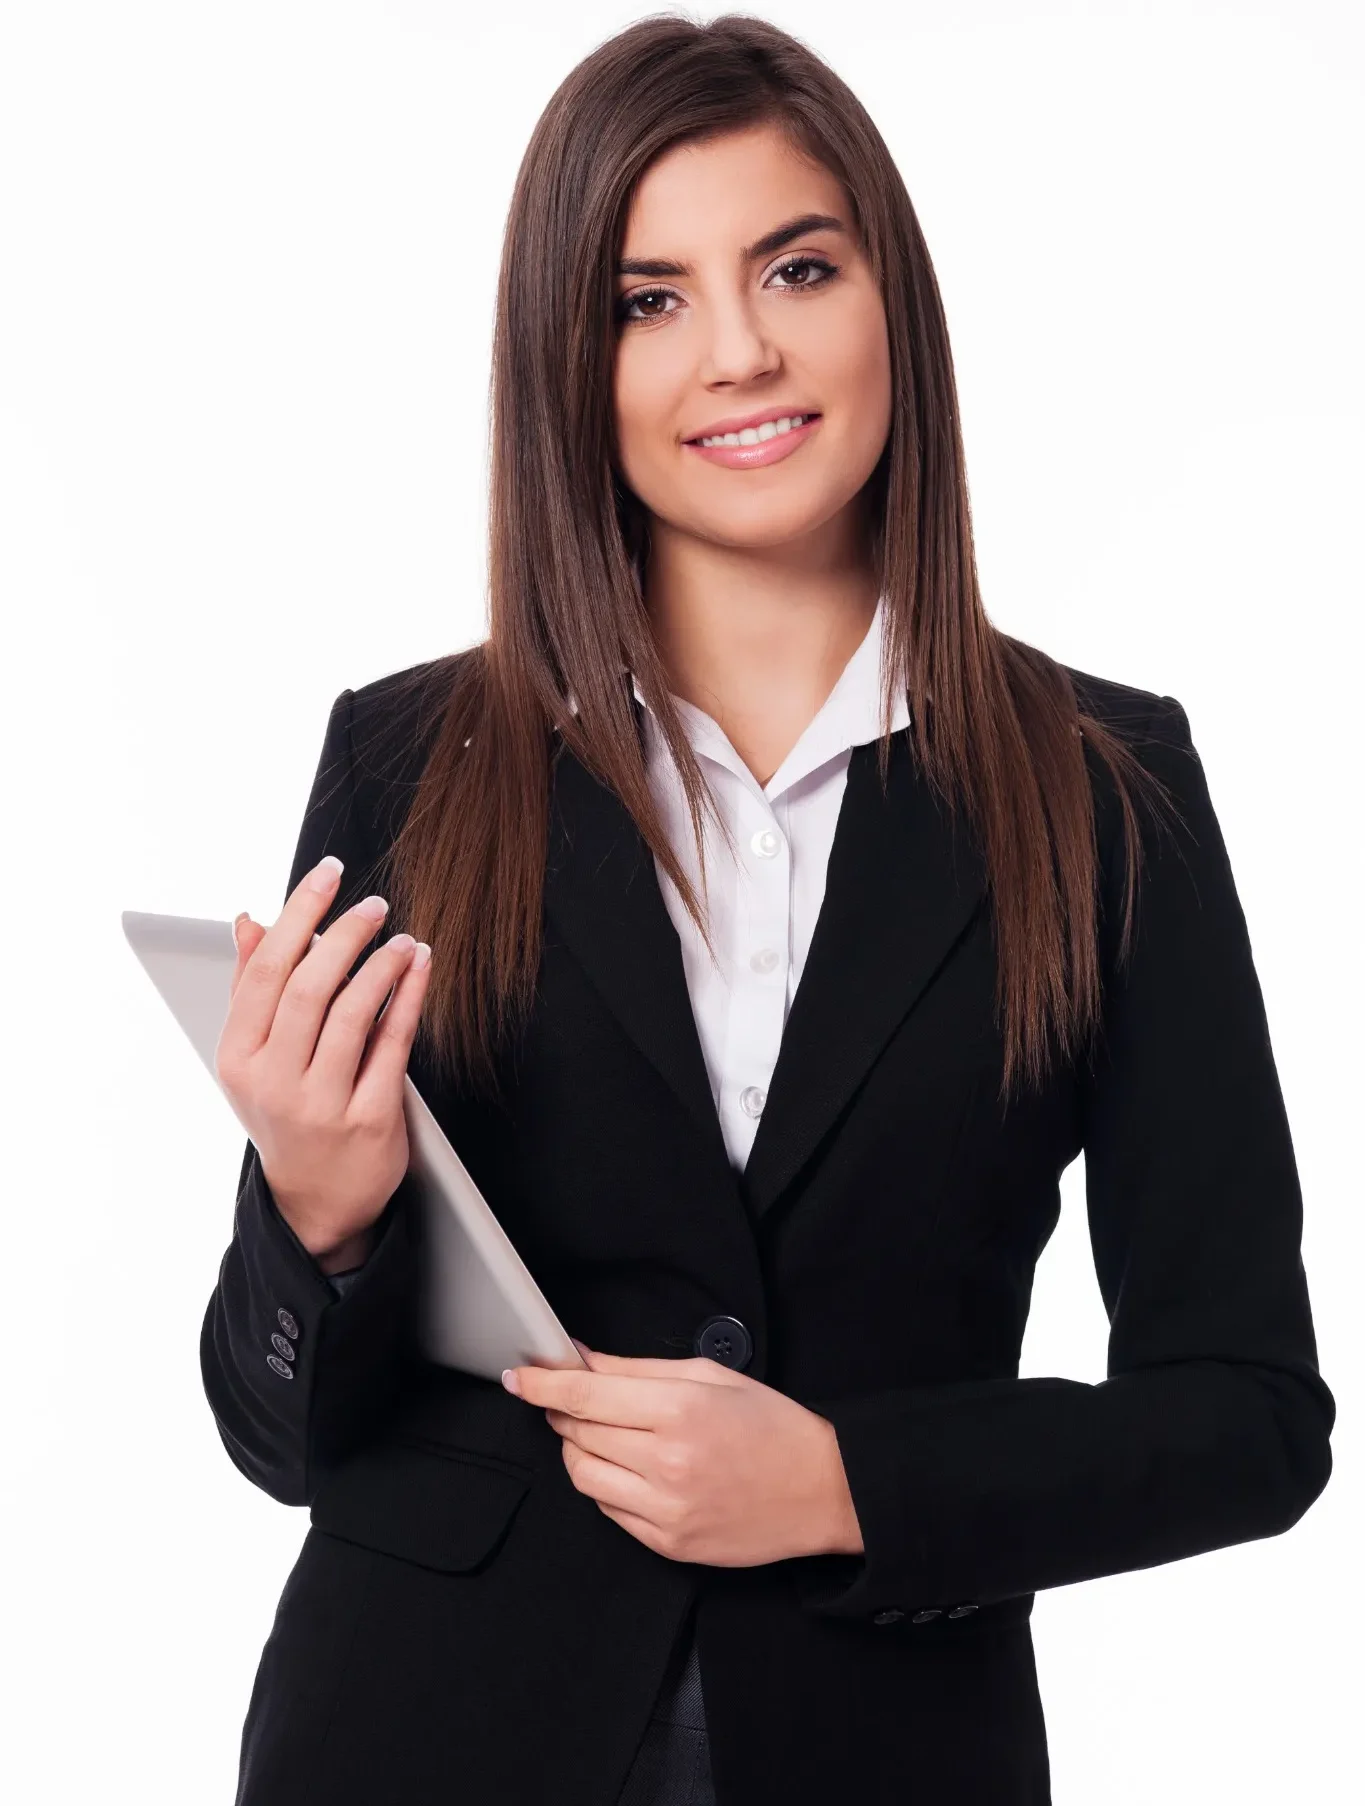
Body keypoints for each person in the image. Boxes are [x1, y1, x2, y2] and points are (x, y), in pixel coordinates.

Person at [201, 15, 1334, 1805]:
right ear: (566, 367)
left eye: (794, 268)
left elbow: (1250, 1416)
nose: (737, 351)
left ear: (893, 300)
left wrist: (843, 1485)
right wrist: (317, 1222)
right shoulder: (415, 758)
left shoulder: (1110, 790)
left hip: (882, 1745)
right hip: (417, 1736)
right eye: (646, 300)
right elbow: (276, 1435)